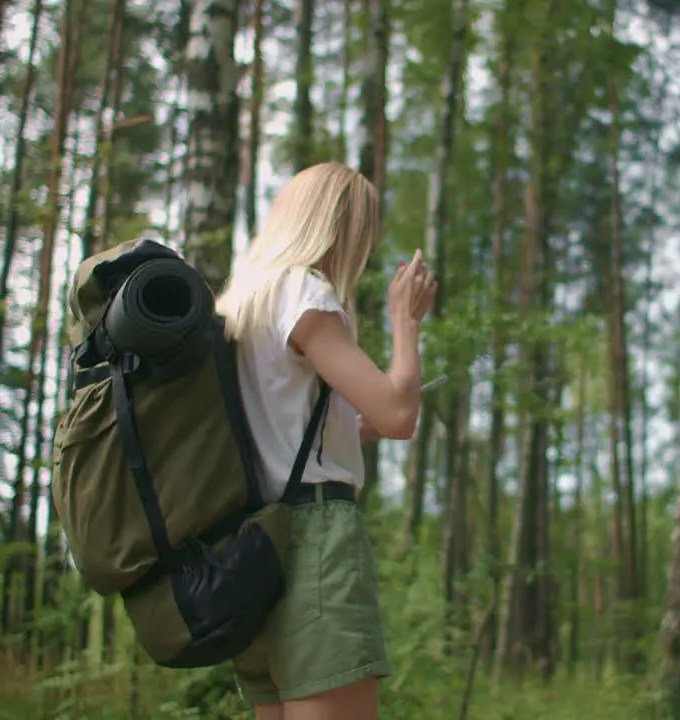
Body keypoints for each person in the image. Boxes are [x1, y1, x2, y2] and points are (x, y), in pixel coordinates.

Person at [215, 161, 437, 720]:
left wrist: (345, 429)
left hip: (252, 547)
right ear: (338, 229)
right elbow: (398, 415)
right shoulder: (305, 293)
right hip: (314, 543)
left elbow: (281, 424)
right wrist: (405, 322)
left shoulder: (242, 301)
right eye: (363, 232)